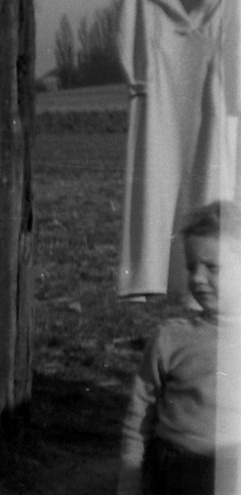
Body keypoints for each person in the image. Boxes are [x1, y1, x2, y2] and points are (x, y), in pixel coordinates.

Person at [118, 200, 241, 495]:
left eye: (212, 267)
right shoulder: (171, 337)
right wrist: (130, 476)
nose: (196, 278)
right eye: (191, 267)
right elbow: (140, 413)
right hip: (176, 471)